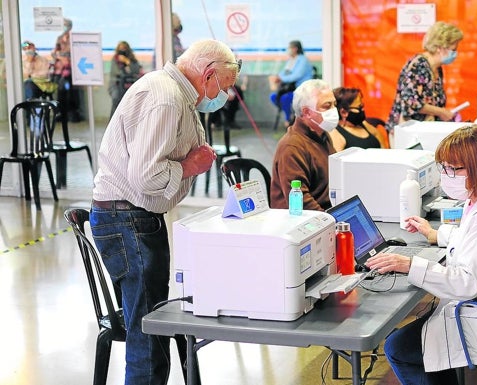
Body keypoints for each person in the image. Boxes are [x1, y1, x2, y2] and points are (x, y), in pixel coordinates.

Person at [89, 39, 240, 385]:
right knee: (148, 335)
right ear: (208, 73)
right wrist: (190, 165)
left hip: (136, 219)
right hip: (128, 220)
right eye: (225, 87)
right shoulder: (166, 98)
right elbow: (146, 176)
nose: (224, 96)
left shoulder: (179, 96)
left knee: (152, 327)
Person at [365, 124, 477, 385]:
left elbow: (466, 283)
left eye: (453, 169)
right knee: (427, 341)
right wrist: (436, 234)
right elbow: (476, 242)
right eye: (444, 168)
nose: (446, 176)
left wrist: (410, 265)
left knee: (399, 348)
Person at [270, 78, 337, 210]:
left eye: (334, 104)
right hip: (302, 220)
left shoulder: (321, 135)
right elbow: (302, 203)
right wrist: (332, 223)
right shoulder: (292, 147)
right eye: (327, 106)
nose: (334, 110)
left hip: (326, 212)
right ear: (306, 112)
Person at [386, 21, 464, 134]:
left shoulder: (437, 68)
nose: (455, 53)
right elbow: (411, 103)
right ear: (440, 47)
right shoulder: (418, 66)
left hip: (424, 130)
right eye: (453, 49)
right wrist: (442, 112)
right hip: (407, 133)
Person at [269, 40, 314, 127]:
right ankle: (290, 115)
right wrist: (277, 77)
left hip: (301, 89)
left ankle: (289, 119)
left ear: (295, 49)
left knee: (286, 98)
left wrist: (281, 78)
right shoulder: (291, 60)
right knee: (274, 97)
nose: (288, 50)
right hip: (289, 88)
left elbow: (297, 75)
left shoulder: (303, 60)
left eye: (289, 48)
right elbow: (284, 73)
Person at [329, 87, 386, 151]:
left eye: (362, 106)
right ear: (344, 112)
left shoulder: (364, 124)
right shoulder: (336, 134)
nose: (362, 110)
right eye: (359, 107)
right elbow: (336, 159)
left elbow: (378, 136)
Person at [51, 18, 82, 122]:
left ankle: (73, 113)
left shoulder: (74, 38)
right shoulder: (59, 38)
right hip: (61, 70)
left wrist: (67, 59)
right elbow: (55, 52)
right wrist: (60, 58)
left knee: (72, 93)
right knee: (61, 92)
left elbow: (77, 53)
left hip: (72, 69)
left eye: (66, 25)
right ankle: (61, 113)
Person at [108, 41, 144, 118]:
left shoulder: (132, 59)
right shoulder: (115, 59)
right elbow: (115, 73)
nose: (122, 50)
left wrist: (127, 62)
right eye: (120, 49)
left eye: (124, 48)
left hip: (130, 84)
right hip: (116, 85)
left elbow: (136, 70)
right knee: (116, 99)